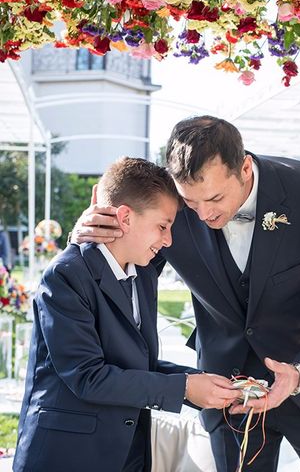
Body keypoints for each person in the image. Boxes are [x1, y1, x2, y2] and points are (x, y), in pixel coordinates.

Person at [72, 117, 300, 471]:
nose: (204, 214)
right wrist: (89, 241)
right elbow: (126, 276)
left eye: (214, 198)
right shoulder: (170, 204)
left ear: (244, 167)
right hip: (227, 392)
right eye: (191, 203)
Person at [14, 158, 242, 472]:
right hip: (67, 455)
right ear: (125, 217)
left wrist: (201, 384)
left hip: (128, 453)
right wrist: (185, 389)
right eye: (163, 226)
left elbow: (137, 365)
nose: (169, 240)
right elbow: (88, 377)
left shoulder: (144, 274)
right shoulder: (66, 276)